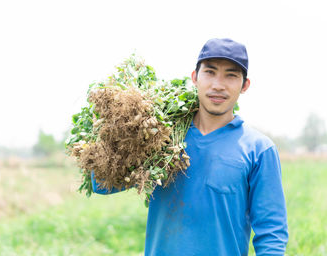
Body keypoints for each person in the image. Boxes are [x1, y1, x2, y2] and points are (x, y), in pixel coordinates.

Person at [92, 38, 289, 256]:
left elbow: (271, 233)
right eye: (210, 72)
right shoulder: (163, 138)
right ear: (195, 78)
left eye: (231, 75)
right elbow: (101, 185)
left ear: (245, 85)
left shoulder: (258, 150)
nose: (218, 85)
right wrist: (117, 128)